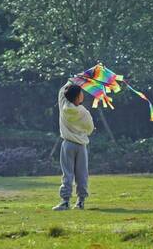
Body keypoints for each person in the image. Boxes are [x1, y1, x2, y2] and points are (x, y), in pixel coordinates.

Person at [52, 81, 94, 211]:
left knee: (67, 173)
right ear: (77, 97)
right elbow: (90, 129)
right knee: (82, 174)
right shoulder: (83, 112)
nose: (83, 94)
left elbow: (61, 92)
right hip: (81, 146)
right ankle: (80, 201)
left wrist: (72, 80)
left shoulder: (63, 106)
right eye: (81, 93)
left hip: (67, 145)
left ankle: (65, 201)